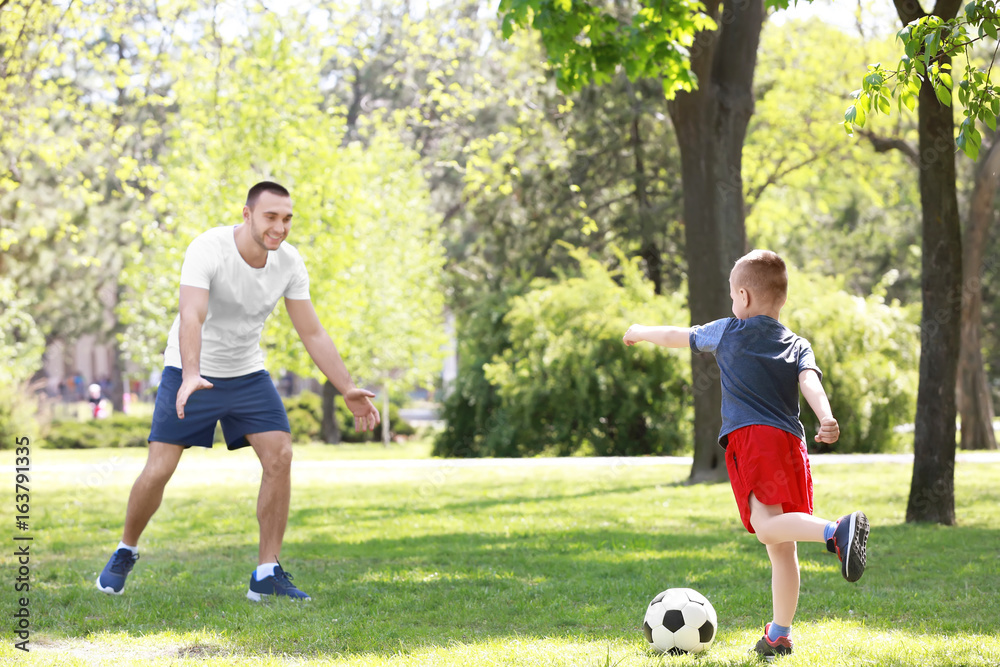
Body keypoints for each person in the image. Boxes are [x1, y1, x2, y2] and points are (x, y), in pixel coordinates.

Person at [96, 181, 380, 601]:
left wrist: (347, 388)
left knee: (280, 455)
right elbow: (191, 314)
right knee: (159, 469)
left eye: (286, 218)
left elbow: (312, 331)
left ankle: (267, 572)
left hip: (246, 372)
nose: (280, 227)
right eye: (271, 217)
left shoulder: (288, 263)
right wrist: (191, 373)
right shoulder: (208, 248)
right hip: (189, 370)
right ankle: (126, 548)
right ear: (247, 215)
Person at [622, 249, 869, 659]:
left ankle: (835, 530)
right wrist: (825, 415)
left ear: (743, 296)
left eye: (732, 296)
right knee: (782, 545)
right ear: (782, 299)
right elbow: (810, 382)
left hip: (754, 441)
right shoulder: (796, 343)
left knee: (767, 528)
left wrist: (640, 330)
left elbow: (676, 336)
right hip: (793, 445)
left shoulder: (728, 330)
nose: (731, 303)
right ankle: (780, 634)